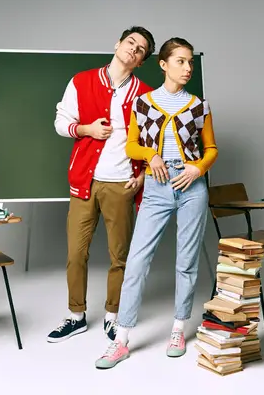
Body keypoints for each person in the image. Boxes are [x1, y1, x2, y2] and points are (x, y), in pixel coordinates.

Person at [95, 37, 218, 369]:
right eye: (180, 61)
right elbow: (132, 145)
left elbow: (211, 150)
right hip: (156, 186)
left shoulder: (199, 106)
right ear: (163, 64)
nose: (188, 68)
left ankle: (178, 329)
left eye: (190, 62)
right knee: (136, 262)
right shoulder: (143, 103)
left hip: (192, 187)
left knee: (187, 261)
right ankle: (120, 340)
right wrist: (151, 155)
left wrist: (197, 168)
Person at [48, 26, 155, 343]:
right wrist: (85, 129)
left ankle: (113, 316)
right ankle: (76, 316)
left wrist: (143, 177)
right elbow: (60, 122)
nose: (133, 50)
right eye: (130, 43)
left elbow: (155, 143)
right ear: (118, 44)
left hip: (122, 185)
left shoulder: (146, 94)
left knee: (119, 256)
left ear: (141, 61)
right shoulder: (81, 81)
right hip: (84, 182)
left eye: (140, 50)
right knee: (75, 253)